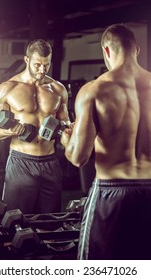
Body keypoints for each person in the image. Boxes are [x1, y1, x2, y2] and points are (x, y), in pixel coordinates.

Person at [60, 23, 151, 260]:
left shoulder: (94, 91)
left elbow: (79, 157)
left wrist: (66, 139)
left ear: (106, 51)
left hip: (112, 192)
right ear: (137, 50)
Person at [0, 39, 71, 214]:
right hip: (21, 162)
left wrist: (67, 130)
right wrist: (8, 130)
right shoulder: (7, 89)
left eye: (46, 65)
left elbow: (66, 124)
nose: (42, 70)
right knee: (16, 221)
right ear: (27, 60)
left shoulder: (57, 89)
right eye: (38, 64)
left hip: (50, 163)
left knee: (50, 221)